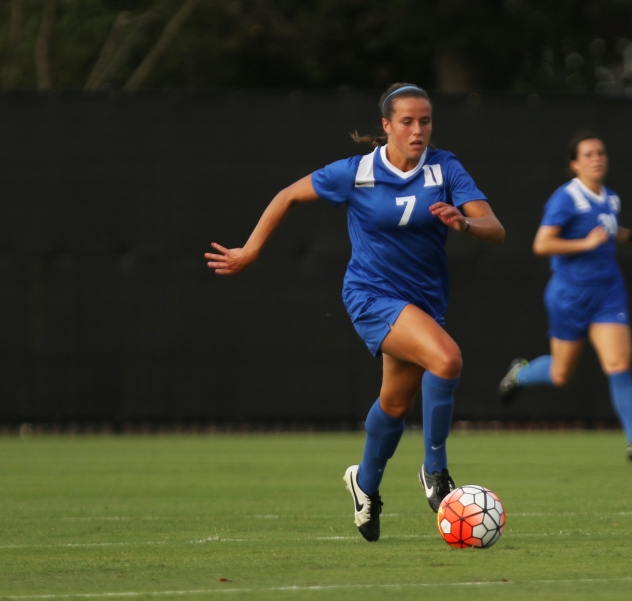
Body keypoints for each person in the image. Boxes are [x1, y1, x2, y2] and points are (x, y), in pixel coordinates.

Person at [205, 84, 505, 541]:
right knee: (447, 359)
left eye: (425, 121)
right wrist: (248, 251)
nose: (418, 130)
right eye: (407, 121)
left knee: (396, 404)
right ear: (386, 126)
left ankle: (364, 483)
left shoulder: (445, 168)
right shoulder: (358, 172)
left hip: (424, 303)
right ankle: (435, 472)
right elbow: (287, 195)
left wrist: (464, 223)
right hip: (371, 296)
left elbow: (495, 230)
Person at [497, 130, 632, 463]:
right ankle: (520, 375)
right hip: (569, 297)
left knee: (619, 363)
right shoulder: (565, 199)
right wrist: (584, 244)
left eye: (600, 153)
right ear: (574, 164)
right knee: (561, 374)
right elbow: (542, 244)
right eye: (588, 155)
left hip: (607, 293)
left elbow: (610, 231)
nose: (597, 159)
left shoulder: (610, 198)